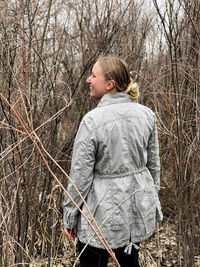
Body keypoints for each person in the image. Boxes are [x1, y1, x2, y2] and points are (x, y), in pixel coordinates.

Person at [63, 56, 163, 267]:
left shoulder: (92, 121)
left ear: (110, 84)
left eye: (93, 75)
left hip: (99, 216)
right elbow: (153, 167)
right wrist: (151, 201)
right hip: (135, 213)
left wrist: (70, 216)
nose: (88, 80)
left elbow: (80, 176)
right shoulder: (147, 115)